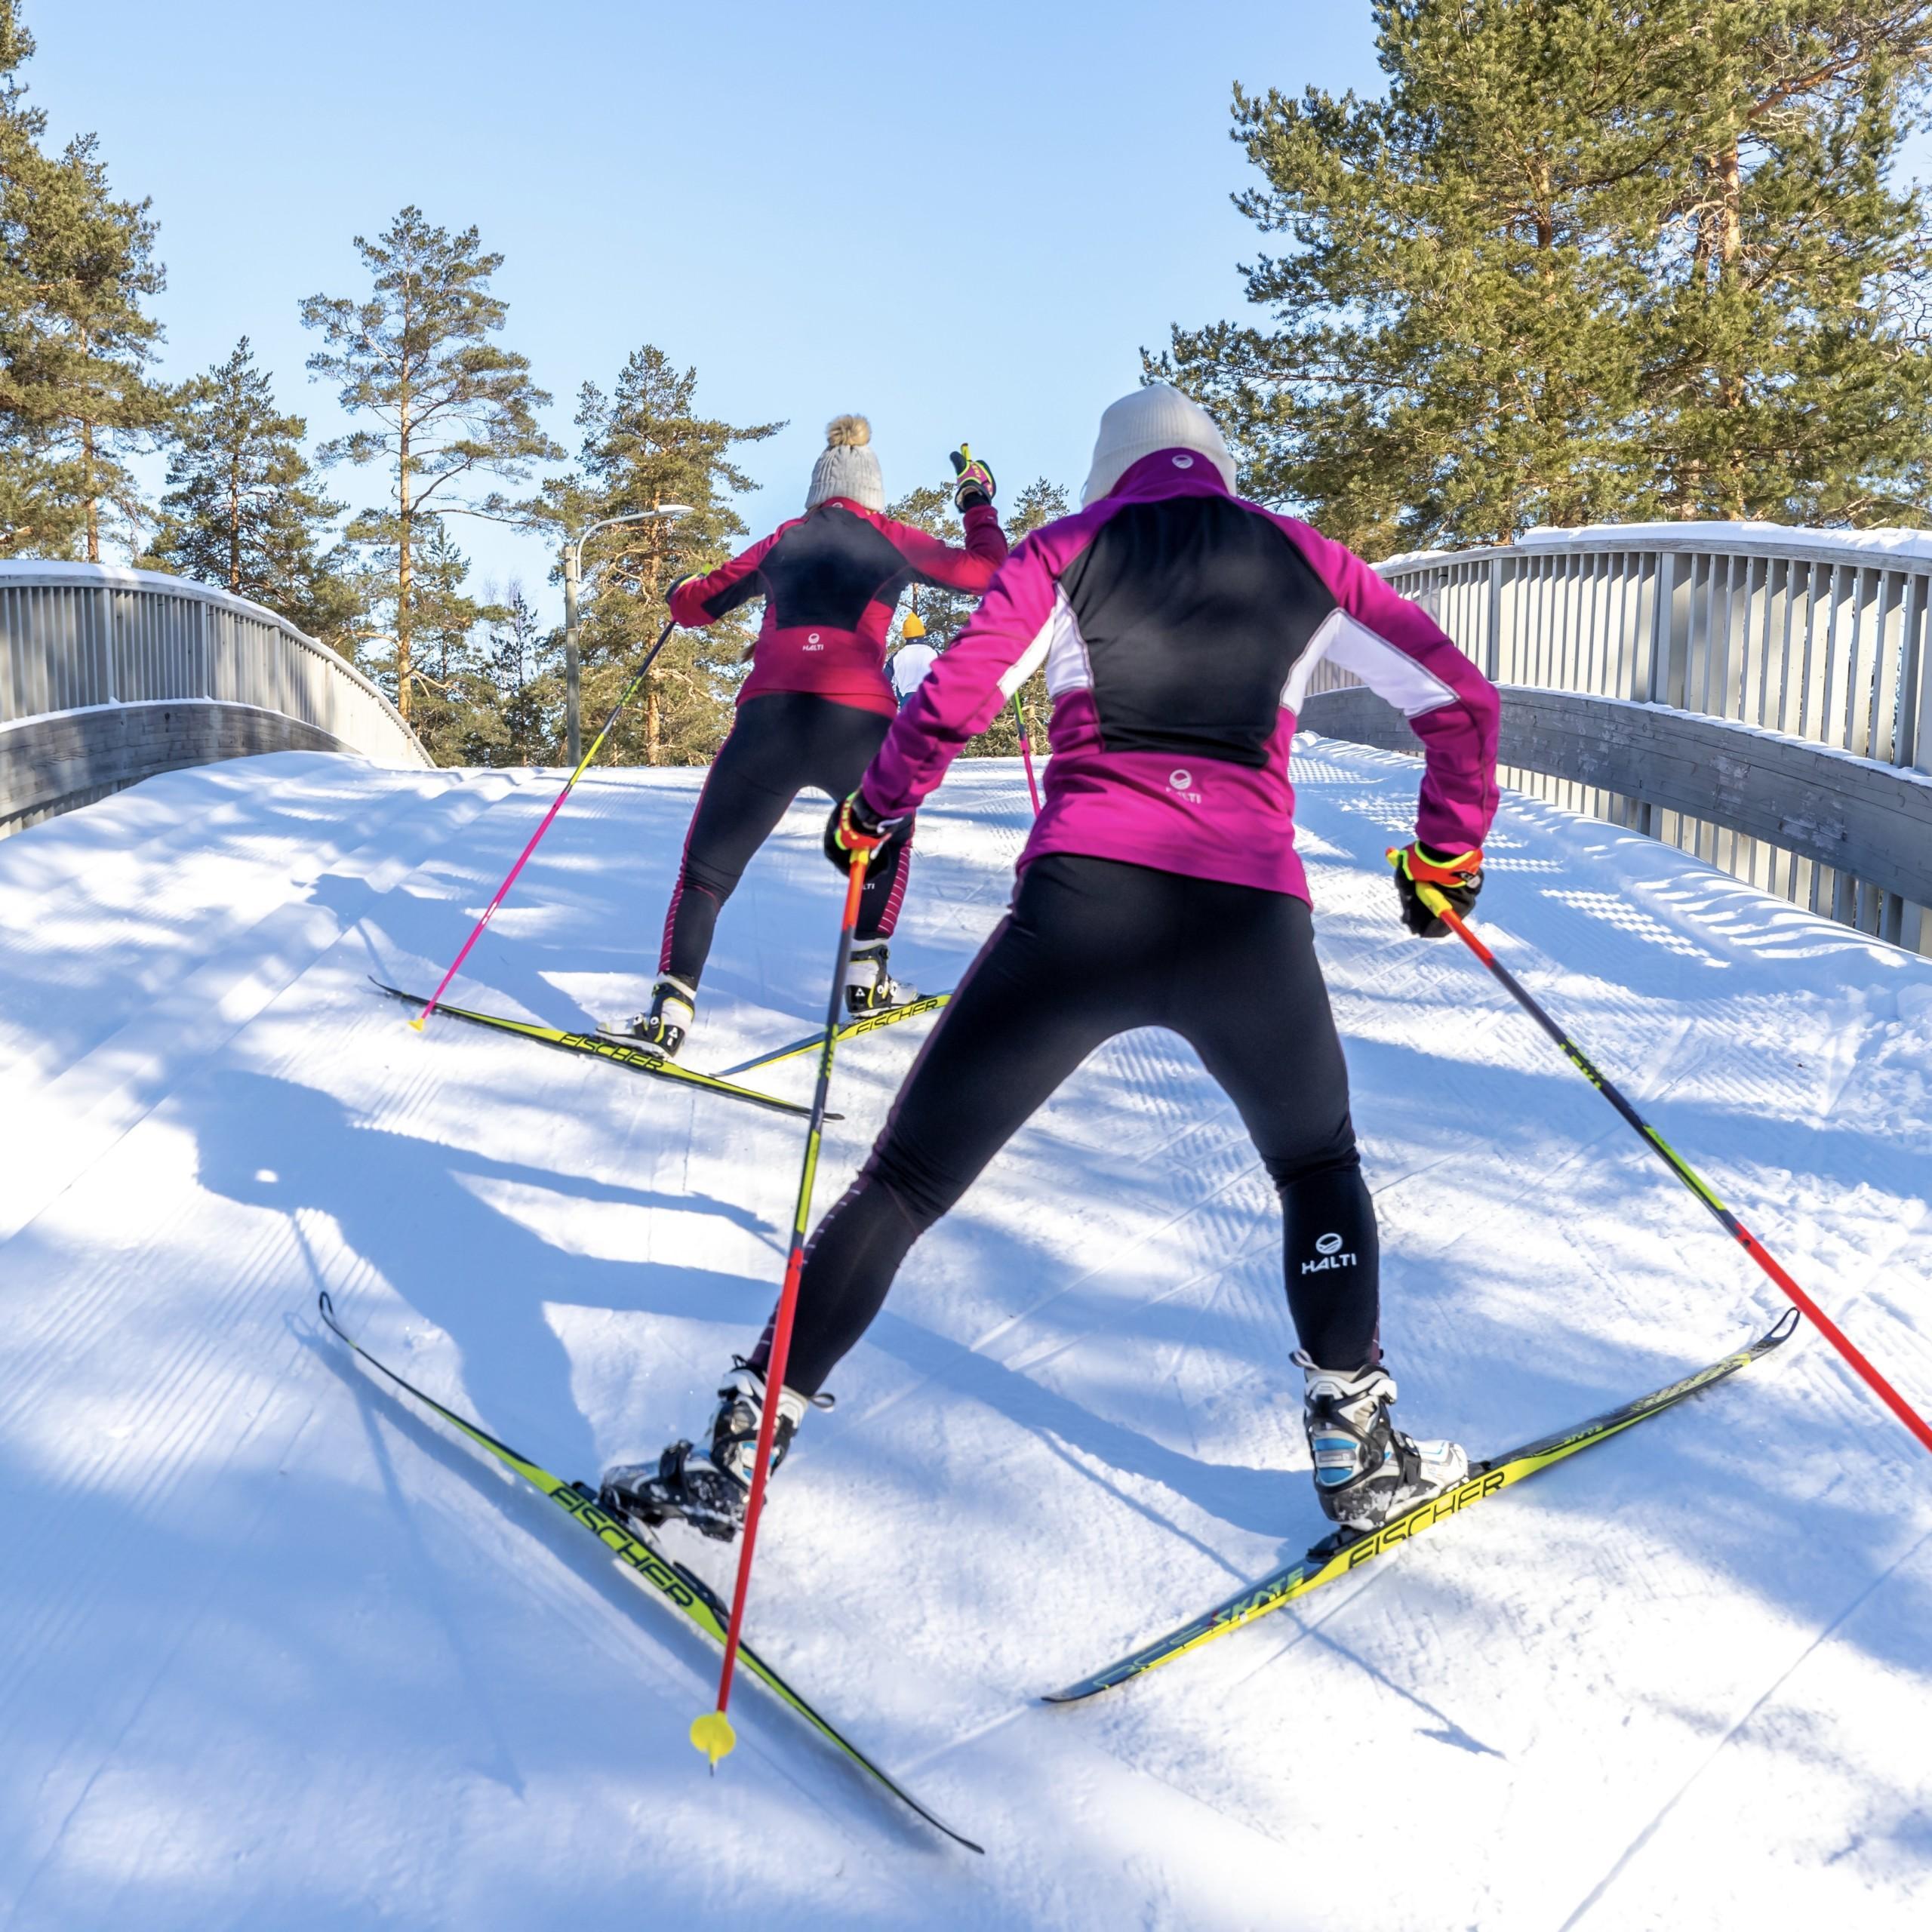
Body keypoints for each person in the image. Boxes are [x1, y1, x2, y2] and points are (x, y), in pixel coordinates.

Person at [602, 384, 1499, 1548]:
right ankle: (1357, 1446)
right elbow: (1463, 704)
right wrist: (1445, 858)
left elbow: (955, 700)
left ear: (1107, 473)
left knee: (906, 1184)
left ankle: (740, 1445)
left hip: (1084, 906)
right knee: (1317, 1164)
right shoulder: (1309, 558)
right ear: (1214, 465)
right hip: (1248, 920)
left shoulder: (1068, 550)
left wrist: (874, 812)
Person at [602, 418, 1006, 1059]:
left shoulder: (782, 540)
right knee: (884, 843)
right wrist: (976, 500)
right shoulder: (892, 538)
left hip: (769, 723)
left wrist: (682, 587)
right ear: (873, 493)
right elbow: (990, 573)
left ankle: (670, 1009)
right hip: (858, 727)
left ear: (817, 491)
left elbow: (693, 607)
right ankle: (865, 980)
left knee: (706, 872)